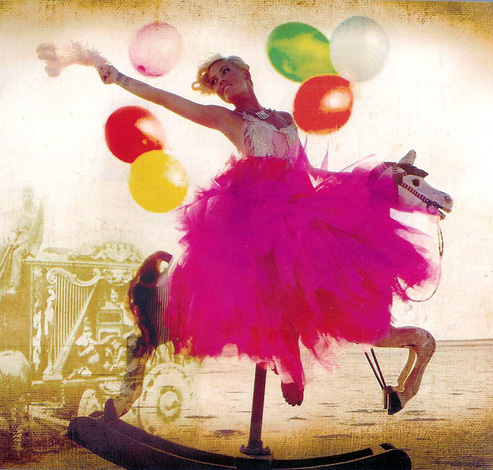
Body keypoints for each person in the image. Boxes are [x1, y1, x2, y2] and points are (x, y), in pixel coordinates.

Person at [98, 55, 437, 411]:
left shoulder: (285, 119)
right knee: (268, 286)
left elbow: (306, 169)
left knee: (330, 278)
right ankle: (289, 367)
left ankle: (345, 345)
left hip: (300, 212)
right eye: (213, 82)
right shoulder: (227, 119)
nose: (220, 81)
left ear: (246, 73)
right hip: (256, 218)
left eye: (225, 72)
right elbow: (170, 100)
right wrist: (119, 78)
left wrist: (363, 180)